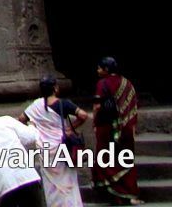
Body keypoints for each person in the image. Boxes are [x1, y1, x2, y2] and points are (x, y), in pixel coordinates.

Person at [22, 75, 89, 207]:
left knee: (51, 185)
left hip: (45, 149)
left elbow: (21, 119)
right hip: (62, 147)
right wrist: (70, 128)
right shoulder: (64, 104)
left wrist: (34, 127)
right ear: (55, 88)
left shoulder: (36, 106)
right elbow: (83, 115)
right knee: (68, 182)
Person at [93, 58, 143, 205]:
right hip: (126, 128)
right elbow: (132, 107)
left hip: (107, 128)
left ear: (106, 70)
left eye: (99, 68)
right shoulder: (127, 83)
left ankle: (113, 193)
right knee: (126, 159)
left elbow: (97, 107)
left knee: (106, 159)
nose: (97, 71)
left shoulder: (102, 84)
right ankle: (130, 194)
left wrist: (95, 123)